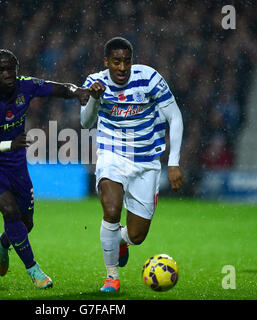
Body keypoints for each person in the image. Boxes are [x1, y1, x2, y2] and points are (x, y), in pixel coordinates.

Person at [0, 49, 88, 289]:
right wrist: (9, 144)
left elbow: (60, 88)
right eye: (1, 69)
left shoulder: (26, 86)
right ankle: (35, 272)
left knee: (26, 223)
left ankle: (2, 243)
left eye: (11, 68)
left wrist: (78, 92)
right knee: (9, 210)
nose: (8, 74)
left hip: (17, 164)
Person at [80, 37, 184, 292]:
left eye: (127, 61)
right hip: (112, 154)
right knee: (112, 209)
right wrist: (94, 98)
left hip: (147, 161)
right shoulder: (95, 82)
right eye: (116, 62)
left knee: (137, 235)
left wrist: (174, 162)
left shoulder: (149, 79)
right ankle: (111, 277)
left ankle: (122, 241)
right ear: (107, 62)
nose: (122, 67)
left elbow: (175, 115)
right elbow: (85, 122)